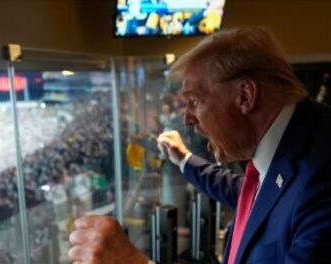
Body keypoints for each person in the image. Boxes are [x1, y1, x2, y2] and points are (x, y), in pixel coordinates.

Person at [68, 27, 331, 264]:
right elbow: (252, 194)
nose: (187, 118)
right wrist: (184, 159)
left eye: (194, 101)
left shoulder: (321, 175)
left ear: (245, 96)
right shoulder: (294, 145)